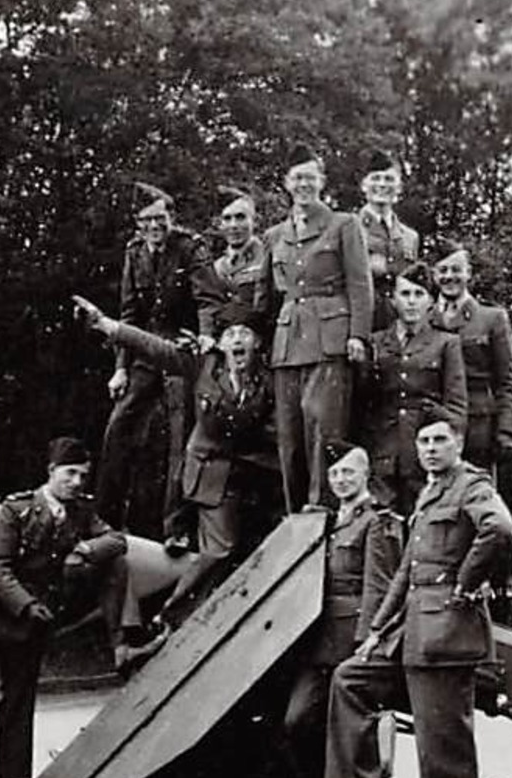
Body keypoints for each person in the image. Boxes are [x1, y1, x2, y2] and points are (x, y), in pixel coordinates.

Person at [316, 410, 512, 778]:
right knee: (350, 679)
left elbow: (500, 529)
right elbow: (405, 571)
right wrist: (377, 634)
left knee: (442, 748)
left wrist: (466, 584)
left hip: (446, 636)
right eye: (423, 440)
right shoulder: (428, 494)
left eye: (439, 440)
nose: (429, 448)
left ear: (458, 445)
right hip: (410, 632)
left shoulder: (471, 486)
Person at [74, 294, 278, 615]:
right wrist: (107, 325)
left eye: (245, 334)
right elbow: (156, 348)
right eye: (230, 335)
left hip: (246, 475)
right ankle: (171, 617)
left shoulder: (268, 380)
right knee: (219, 551)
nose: (237, 341)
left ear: (258, 343)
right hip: (206, 474)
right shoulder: (204, 364)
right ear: (221, 344)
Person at [0, 436, 128, 778]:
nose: (77, 482)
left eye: (82, 475)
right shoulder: (16, 510)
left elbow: (116, 539)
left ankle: (121, 641)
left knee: (114, 560)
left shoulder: (82, 511)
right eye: (70, 473)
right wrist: (26, 606)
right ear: (51, 473)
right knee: (16, 702)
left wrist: (84, 550)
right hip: (18, 617)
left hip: (59, 610)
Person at [95, 181, 222, 543]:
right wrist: (120, 368)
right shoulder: (134, 252)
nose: (154, 226)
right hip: (145, 351)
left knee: (181, 438)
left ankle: (177, 529)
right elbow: (129, 314)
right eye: (147, 220)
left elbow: (207, 299)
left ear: (171, 218)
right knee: (119, 426)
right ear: (137, 224)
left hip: (182, 349)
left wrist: (207, 334)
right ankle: (104, 519)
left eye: (160, 218)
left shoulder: (190, 247)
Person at [254, 143, 375, 514]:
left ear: (322, 182)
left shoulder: (344, 224)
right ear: (287, 184)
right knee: (289, 436)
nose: (303, 184)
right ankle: (296, 515)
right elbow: (264, 298)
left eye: (310, 177)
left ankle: (321, 510)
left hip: (330, 340)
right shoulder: (274, 235)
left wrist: (358, 334)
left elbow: (360, 283)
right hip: (287, 343)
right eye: (297, 178)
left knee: (323, 427)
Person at [282, 443, 402, 778]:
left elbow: (377, 586)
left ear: (365, 475)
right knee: (297, 719)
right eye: (334, 473)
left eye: (348, 472)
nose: (340, 480)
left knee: (348, 723)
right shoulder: (329, 520)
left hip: (351, 638)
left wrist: (368, 638)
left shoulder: (377, 521)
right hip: (318, 639)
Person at [365, 262, 467, 516]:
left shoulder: (446, 344)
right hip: (382, 454)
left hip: (425, 455)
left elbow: (456, 407)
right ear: (393, 301)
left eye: (419, 294)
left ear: (431, 302)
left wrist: (447, 451)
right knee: (381, 530)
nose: (411, 302)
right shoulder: (375, 343)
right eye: (405, 294)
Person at [432, 240, 512, 475]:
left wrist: (506, 431)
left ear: (468, 273)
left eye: (456, 270)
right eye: (443, 271)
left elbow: (507, 381)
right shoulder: (424, 319)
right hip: (433, 427)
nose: (449, 277)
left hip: (478, 428)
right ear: (434, 275)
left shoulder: (491, 318)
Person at [356, 148, 420, 334]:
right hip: (362, 324)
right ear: (364, 185)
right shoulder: (350, 229)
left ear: (399, 187)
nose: (382, 185)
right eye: (376, 178)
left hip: (398, 326)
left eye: (389, 179)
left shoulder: (410, 237)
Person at [210, 185, 266, 334]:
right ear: (220, 224)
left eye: (240, 217)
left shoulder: (268, 258)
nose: (233, 225)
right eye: (227, 219)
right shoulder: (217, 267)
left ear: (255, 221)